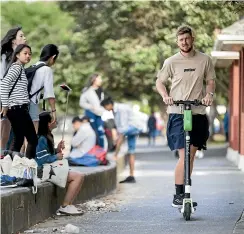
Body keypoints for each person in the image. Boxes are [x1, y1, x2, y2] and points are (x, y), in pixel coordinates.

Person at [155, 25, 216, 207]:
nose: (184, 42)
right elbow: (160, 81)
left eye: (187, 38)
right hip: (177, 113)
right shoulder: (171, 61)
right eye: (181, 40)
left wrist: (208, 95)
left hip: (197, 112)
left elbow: (210, 82)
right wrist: (165, 96)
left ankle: (185, 193)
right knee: (185, 153)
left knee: (192, 155)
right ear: (177, 42)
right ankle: (178, 194)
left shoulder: (204, 60)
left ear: (192, 38)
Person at [36, 111, 84, 215]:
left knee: (79, 176)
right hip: (42, 171)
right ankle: (65, 206)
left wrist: (56, 150)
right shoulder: (41, 138)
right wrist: (55, 157)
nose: (56, 120)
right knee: (77, 176)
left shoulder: (49, 136)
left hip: (49, 169)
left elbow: (47, 154)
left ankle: (69, 204)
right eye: (53, 119)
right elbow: (40, 159)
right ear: (48, 123)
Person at [1, 44, 38, 159]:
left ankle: (13, 166)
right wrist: (5, 105)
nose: (28, 56)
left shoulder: (20, 68)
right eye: (25, 53)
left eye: (30, 54)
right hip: (17, 108)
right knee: (32, 139)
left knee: (19, 139)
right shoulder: (16, 67)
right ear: (17, 55)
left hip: (18, 109)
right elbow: (3, 84)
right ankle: (27, 167)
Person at [101, 97, 144, 183]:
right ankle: (131, 176)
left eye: (105, 107)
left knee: (121, 136)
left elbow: (122, 130)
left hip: (134, 127)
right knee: (131, 152)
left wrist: (117, 149)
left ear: (109, 105)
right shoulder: (115, 110)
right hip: (132, 127)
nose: (105, 109)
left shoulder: (121, 109)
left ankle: (115, 155)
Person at [1, 26, 27, 150]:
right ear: (13, 40)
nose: (24, 38)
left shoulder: (20, 59)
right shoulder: (4, 57)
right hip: (4, 99)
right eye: (21, 36)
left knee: (11, 132)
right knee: (3, 131)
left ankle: (7, 158)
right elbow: (2, 79)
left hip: (14, 102)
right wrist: (4, 102)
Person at [28, 44, 59, 132]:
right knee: (32, 138)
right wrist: (53, 112)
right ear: (53, 57)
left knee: (23, 139)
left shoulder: (33, 66)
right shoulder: (46, 69)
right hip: (32, 104)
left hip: (21, 104)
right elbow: (49, 94)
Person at [79, 74, 105, 148]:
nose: (101, 80)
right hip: (90, 113)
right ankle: (92, 151)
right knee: (92, 133)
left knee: (101, 132)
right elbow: (81, 103)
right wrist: (91, 107)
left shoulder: (101, 90)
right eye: (99, 79)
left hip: (99, 114)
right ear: (94, 80)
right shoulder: (86, 90)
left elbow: (102, 103)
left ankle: (101, 151)